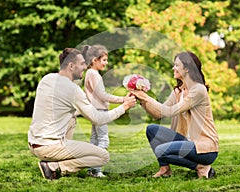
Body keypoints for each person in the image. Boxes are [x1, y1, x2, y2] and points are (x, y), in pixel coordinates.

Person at [28, 47, 136, 180]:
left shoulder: (47, 79)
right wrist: (124, 106)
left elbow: (60, 108)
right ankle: (56, 166)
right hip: (50, 147)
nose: (85, 66)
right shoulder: (73, 90)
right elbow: (98, 119)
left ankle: (54, 160)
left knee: (72, 119)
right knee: (102, 156)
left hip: (34, 143)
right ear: (71, 66)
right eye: (82, 63)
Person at [132, 51, 219, 178]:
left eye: (177, 65)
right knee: (152, 129)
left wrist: (146, 97)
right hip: (186, 141)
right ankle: (165, 170)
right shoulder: (179, 91)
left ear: (187, 69)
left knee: (161, 150)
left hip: (204, 148)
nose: (174, 68)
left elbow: (170, 111)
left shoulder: (198, 90)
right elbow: (158, 114)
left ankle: (201, 166)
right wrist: (142, 100)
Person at [83, 45, 124, 177]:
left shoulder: (91, 73)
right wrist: (122, 99)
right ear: (95, 60)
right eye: (104, 60)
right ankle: (96, 169)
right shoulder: (93, 74)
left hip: (95, 109)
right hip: (99, 111)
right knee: (103, 140)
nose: (106, 63)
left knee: (95, 140)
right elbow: (102, 95)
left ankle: (90, 168)